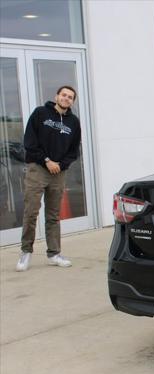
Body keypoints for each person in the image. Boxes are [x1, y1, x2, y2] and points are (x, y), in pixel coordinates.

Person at [15, 86, 81, 272]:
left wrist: (61, 164)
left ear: (72, 101)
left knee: (53, 215)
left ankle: (54, 253)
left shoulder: (74, 122)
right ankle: (25, 252)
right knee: (31, 212)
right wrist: (46, 160)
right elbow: (30, 142)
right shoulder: (40, 113)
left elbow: (74, 150)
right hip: (38, 168)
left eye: (70, 97)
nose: (66, 99)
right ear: (56, 96)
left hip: (58, 172)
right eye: (64, 95)